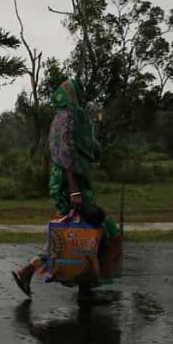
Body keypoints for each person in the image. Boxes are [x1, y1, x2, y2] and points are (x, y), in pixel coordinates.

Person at [12, 78, 121, 298]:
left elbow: (81, 150)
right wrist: (74, 191)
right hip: (71, 185)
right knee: (77, 231)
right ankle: (29, 271)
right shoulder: (72, 118)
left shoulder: (61, 117)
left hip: (67, 183)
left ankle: (85, 285)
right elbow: (66, 156)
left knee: (82, 231)